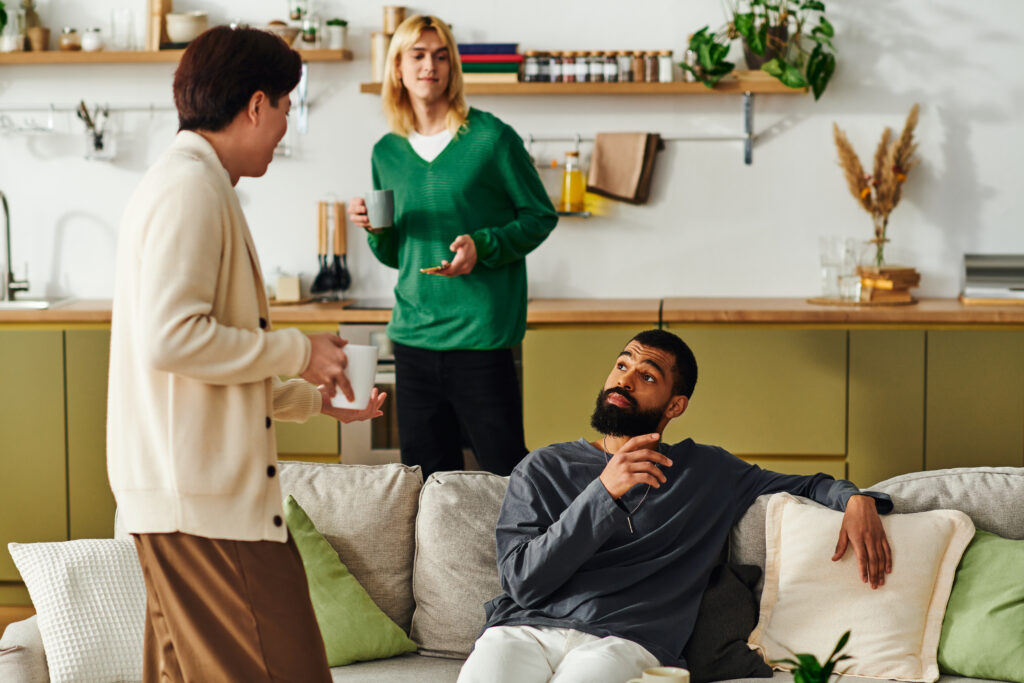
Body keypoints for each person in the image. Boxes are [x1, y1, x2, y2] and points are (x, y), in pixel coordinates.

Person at [106, 27, 386, 682]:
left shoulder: (196, 183)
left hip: (190, 496)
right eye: (287, 108)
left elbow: (202, 368)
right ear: (257, 105)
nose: (287, 125)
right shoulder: (189, 189)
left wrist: (312, 397)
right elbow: (172, 337)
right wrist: (297, 350)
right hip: (203, 503)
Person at [458, 329, 895, 683]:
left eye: (647, 376)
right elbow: (522, 582)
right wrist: (603, 492)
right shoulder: (543, 467)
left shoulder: (706, 472)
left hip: (624, 640)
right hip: (522, 630)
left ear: (675, 405)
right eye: (622, 364)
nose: (624, 380)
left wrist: (855, 499)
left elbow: (808, 484)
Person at [348, 15, 558, 480]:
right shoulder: (387, 151)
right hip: (413, 336)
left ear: (453, 67)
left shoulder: (490, 138)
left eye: (442, 56)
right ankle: (435, 559)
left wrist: (482, 247)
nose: (431, 66)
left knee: (506, 474)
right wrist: (375, 230)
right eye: (418, 55)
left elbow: (539, 215)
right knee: (424, 479)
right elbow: (394, 255)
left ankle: (521, 555)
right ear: (398, 67)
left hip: (480, 337)